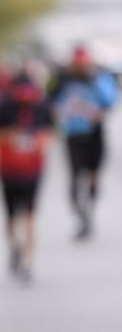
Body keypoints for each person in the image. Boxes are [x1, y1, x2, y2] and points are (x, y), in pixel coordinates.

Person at [0, 71, 54, 282]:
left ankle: (27, 260)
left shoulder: (42, 108)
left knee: (29, 215)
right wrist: (10, 136)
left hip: (33, 171)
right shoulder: (3, 108)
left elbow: (51, 132)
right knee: (10, 216)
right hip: (7, 170)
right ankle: (15, 247)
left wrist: (42, 142)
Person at [47, 45, 118, 239]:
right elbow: (49, 100)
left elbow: (110, 100)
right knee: (75, 175)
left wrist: (94, 82)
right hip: (73, 133)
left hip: (94, 133)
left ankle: (90, 211)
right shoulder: (62, 79)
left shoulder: (98, 76)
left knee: (93, 174)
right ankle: (79, 215)